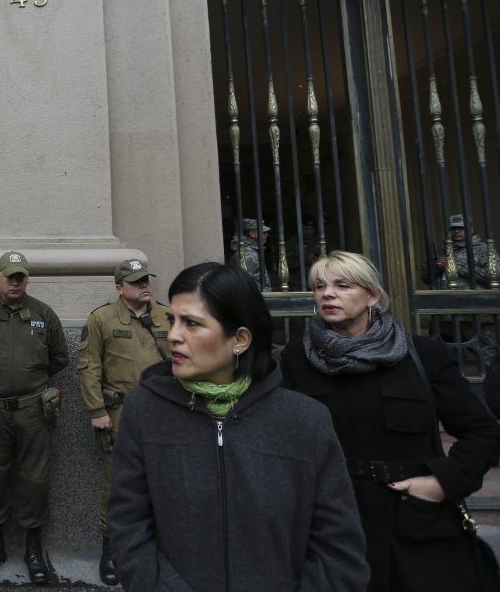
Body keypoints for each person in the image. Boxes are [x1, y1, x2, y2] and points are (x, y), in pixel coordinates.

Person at [108, 262, 369, 591]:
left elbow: (338, 549)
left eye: (192, 323)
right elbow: (128, 526)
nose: (173, 335)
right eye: (172, 320)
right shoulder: (144, 410)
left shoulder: (305, 421)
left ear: (240, 339)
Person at [280, 251, 500, 591]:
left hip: (417, 525)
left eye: (342, 285)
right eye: (319, 286)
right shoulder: (296, 359)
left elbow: (483, 433)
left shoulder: (422, 354)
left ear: (372, 296)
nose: (327, 293)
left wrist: (442, 483)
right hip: (333, 528)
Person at [0, 251, 69, 585]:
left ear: (27, 279)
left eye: (21, 276)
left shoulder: (43, 315)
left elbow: (60, 357)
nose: (15, 281)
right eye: (10, 276)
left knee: (34, 479)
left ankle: (33, 549)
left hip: (34, 412)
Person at [77, 258, 170, 586]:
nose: (145, 285)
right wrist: (96, 410)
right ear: (119, 288)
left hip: (166, 415)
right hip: (121, 416)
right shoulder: (102, 318)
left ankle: (160, 545)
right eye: (136, 281)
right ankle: (112, 548)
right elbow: (89, 366)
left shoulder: (168, 316)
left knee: (165, 480)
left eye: (147, 279)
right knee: (117, 484)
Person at [425, 214, 490, 290]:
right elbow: (426, 279)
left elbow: (493, 276)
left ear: (470, 230)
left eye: (461, 228)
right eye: (453, 228)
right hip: (442, 298)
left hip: (471, 297)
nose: (456, 231)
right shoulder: (441, 253)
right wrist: (436, 269)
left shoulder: (482, 249)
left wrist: (453, 267)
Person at [227, 217, 271, 291]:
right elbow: (245, 285)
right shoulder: (249, 255)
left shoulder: (249, 251)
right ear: (252, 234)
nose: (267, 235)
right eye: (263, 232)